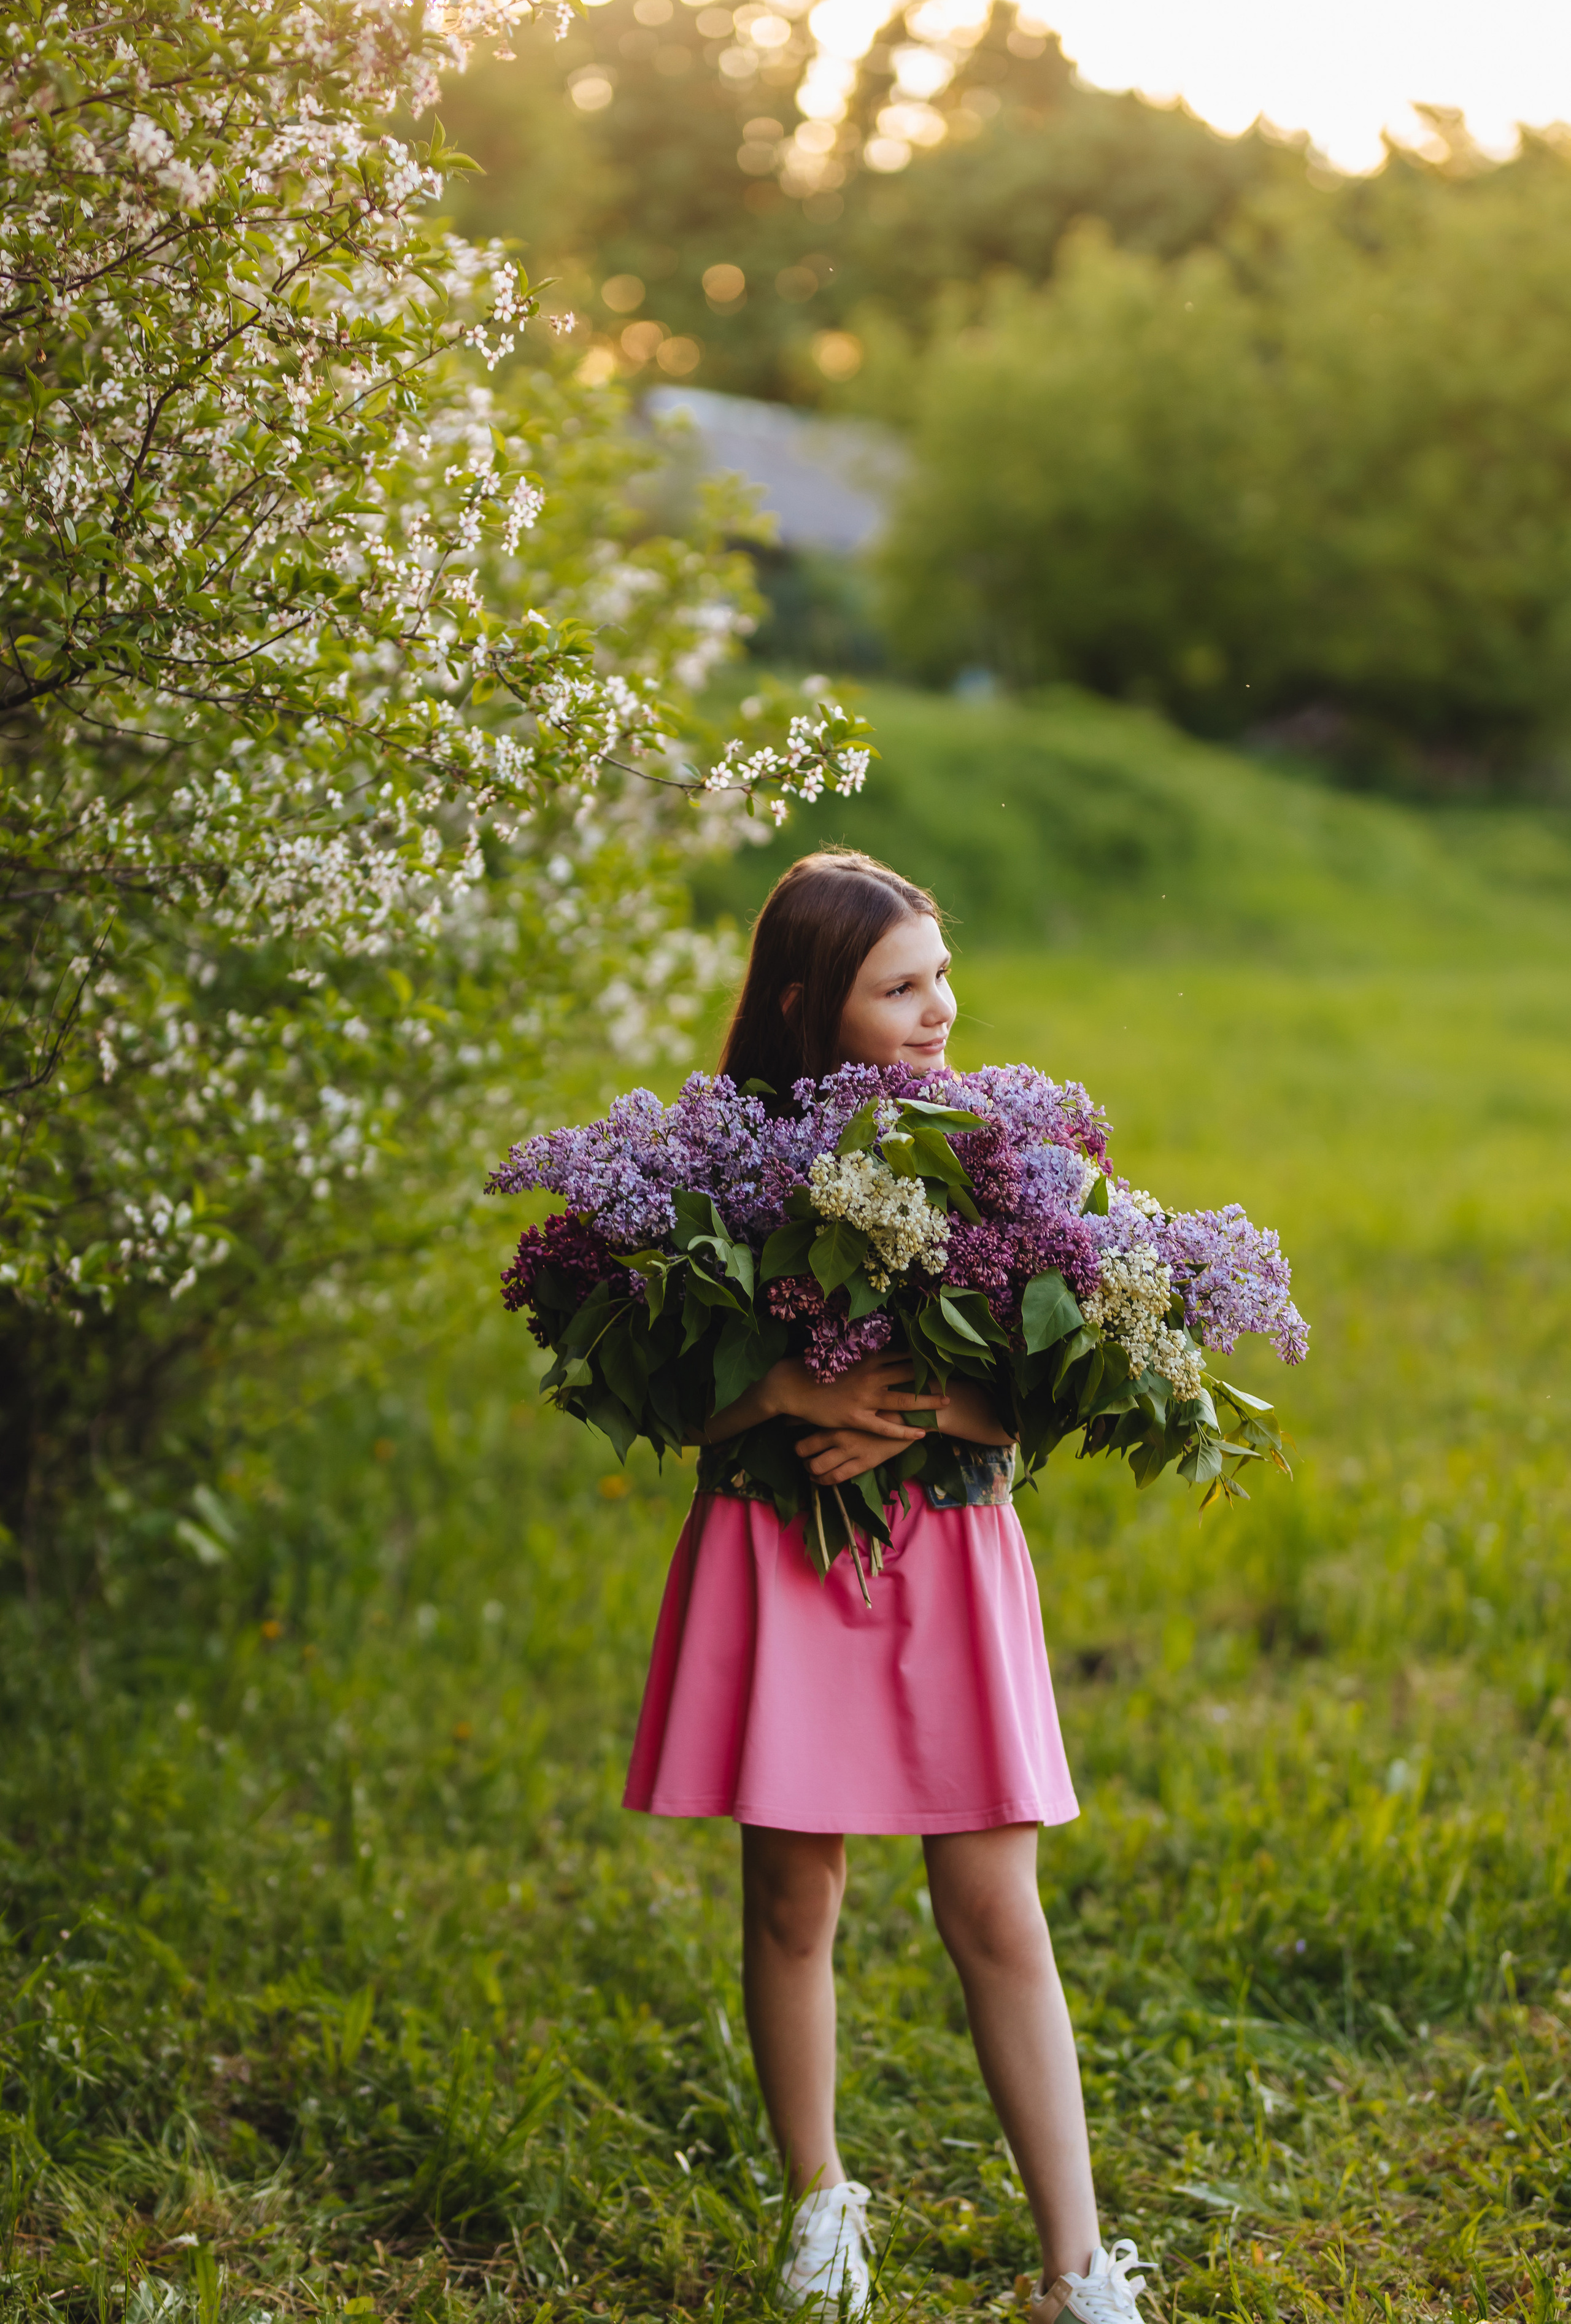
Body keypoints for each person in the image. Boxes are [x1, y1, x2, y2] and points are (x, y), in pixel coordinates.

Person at [623, 851, 1151, 2324]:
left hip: (951, 1548)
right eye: (899, 986)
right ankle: (818, 2209)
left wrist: (906, 1413)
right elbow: (662, 1384)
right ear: (808, 1005)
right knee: (794, 1894)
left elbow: (1059, 1383)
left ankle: (1076, 2266)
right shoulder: (718, 1168)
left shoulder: (1003, 1152)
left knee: (996, 1907)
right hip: (779, 1548)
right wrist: (787, 1384)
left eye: (939, 975)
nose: (939, 1009)